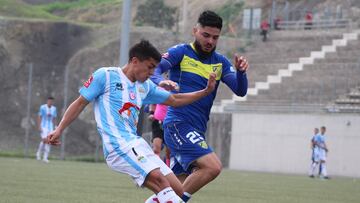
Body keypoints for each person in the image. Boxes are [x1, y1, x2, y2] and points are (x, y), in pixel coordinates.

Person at [46, 40, 217, 203]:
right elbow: (79, 103)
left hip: (137, 144)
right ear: (135, 61)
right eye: (150, 67)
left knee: (178, 190)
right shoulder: (105, 76)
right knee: (159, 181)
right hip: (118, 145)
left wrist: (205, 91)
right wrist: (59, 129)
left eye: (154, 69)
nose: (152, 73)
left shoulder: (145, 86)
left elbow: (174, 99)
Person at [148, 10, 249, 202]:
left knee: (173, 189)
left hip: (197, 129)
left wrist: (241, 73)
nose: (210, 41)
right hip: (178, 123)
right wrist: (160, 81)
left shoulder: (220, 62)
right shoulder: (181, 52)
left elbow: (240, 90)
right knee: (212, 167)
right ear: (195, 31)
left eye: (215, 37)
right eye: (206, 35)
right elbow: (156, 69)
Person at [36, 96, 57, 163]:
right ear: (47, 101)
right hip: (43, 126)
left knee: (49, 141)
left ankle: (45, 157)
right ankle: (38, 153)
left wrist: (56, 127)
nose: (50, 102)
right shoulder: (42, 107)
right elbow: (39, 116)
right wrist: (39, 126)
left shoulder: (54, 109)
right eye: (49, 101)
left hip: (50, 127)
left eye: (51, 101)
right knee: (44, 140)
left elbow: (54, 118)